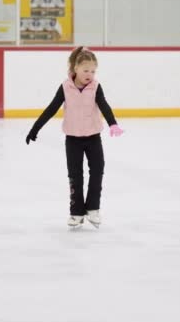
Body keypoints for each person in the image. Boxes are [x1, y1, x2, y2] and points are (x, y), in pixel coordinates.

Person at [25, 46, 124, 228]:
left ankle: (93, 208)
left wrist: (113, 123)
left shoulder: (95, 86)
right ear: (75, 68)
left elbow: (104, 105)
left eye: (93, 71)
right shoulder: (65, 87)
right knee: (75, 176)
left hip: (93, 137)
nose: (89, 74)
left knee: (97, 171)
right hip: (73, 139)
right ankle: (77, 212)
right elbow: (52, 108)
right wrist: (35, 128)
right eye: (86, 70)